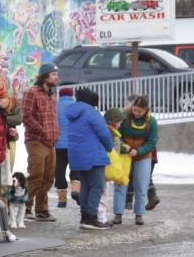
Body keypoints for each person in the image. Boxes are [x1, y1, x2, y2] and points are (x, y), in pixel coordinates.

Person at [65, 88, 113, 230]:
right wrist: (110, 147)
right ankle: (91, 217)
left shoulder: (73, 113)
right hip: (93, 155)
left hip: (77, 155)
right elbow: (104, 133)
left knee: (85, 185)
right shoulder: (92, 113)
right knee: (98, 186)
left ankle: (85, 217)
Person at [22, 62, 60, 221]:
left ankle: (42, 209)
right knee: (36, 175)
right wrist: (42, 130)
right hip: (36, 140)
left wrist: (55, 133)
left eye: (56, 74)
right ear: (45, 76)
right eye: (53, 74)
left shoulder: (52, 94)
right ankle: (24, 207)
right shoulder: (32, 92)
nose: (56, 77)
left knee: (48, 177)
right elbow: (26, 116)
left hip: (51, 142)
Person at [113, 94, 158, 226]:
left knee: (141, 185)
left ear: (146, 110)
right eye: (134, 110)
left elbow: (152, 141)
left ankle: (139, 214)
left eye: (140, 111)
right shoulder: (124, 118)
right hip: (125, 154)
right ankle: (118, 214)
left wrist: (139, 151)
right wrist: (124, 147)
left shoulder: (151, 122)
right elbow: (117, 135)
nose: (136, 113)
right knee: (120, 183)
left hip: (143, 156)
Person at [54, 86, 76, 207]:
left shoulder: (55, 107)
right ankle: (76, 191)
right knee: (75, 168)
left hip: (59, 145)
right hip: (74, 144)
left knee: (59, 170)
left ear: (60, 95)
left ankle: (62, 200)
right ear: (71, 95)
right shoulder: (76, 107)